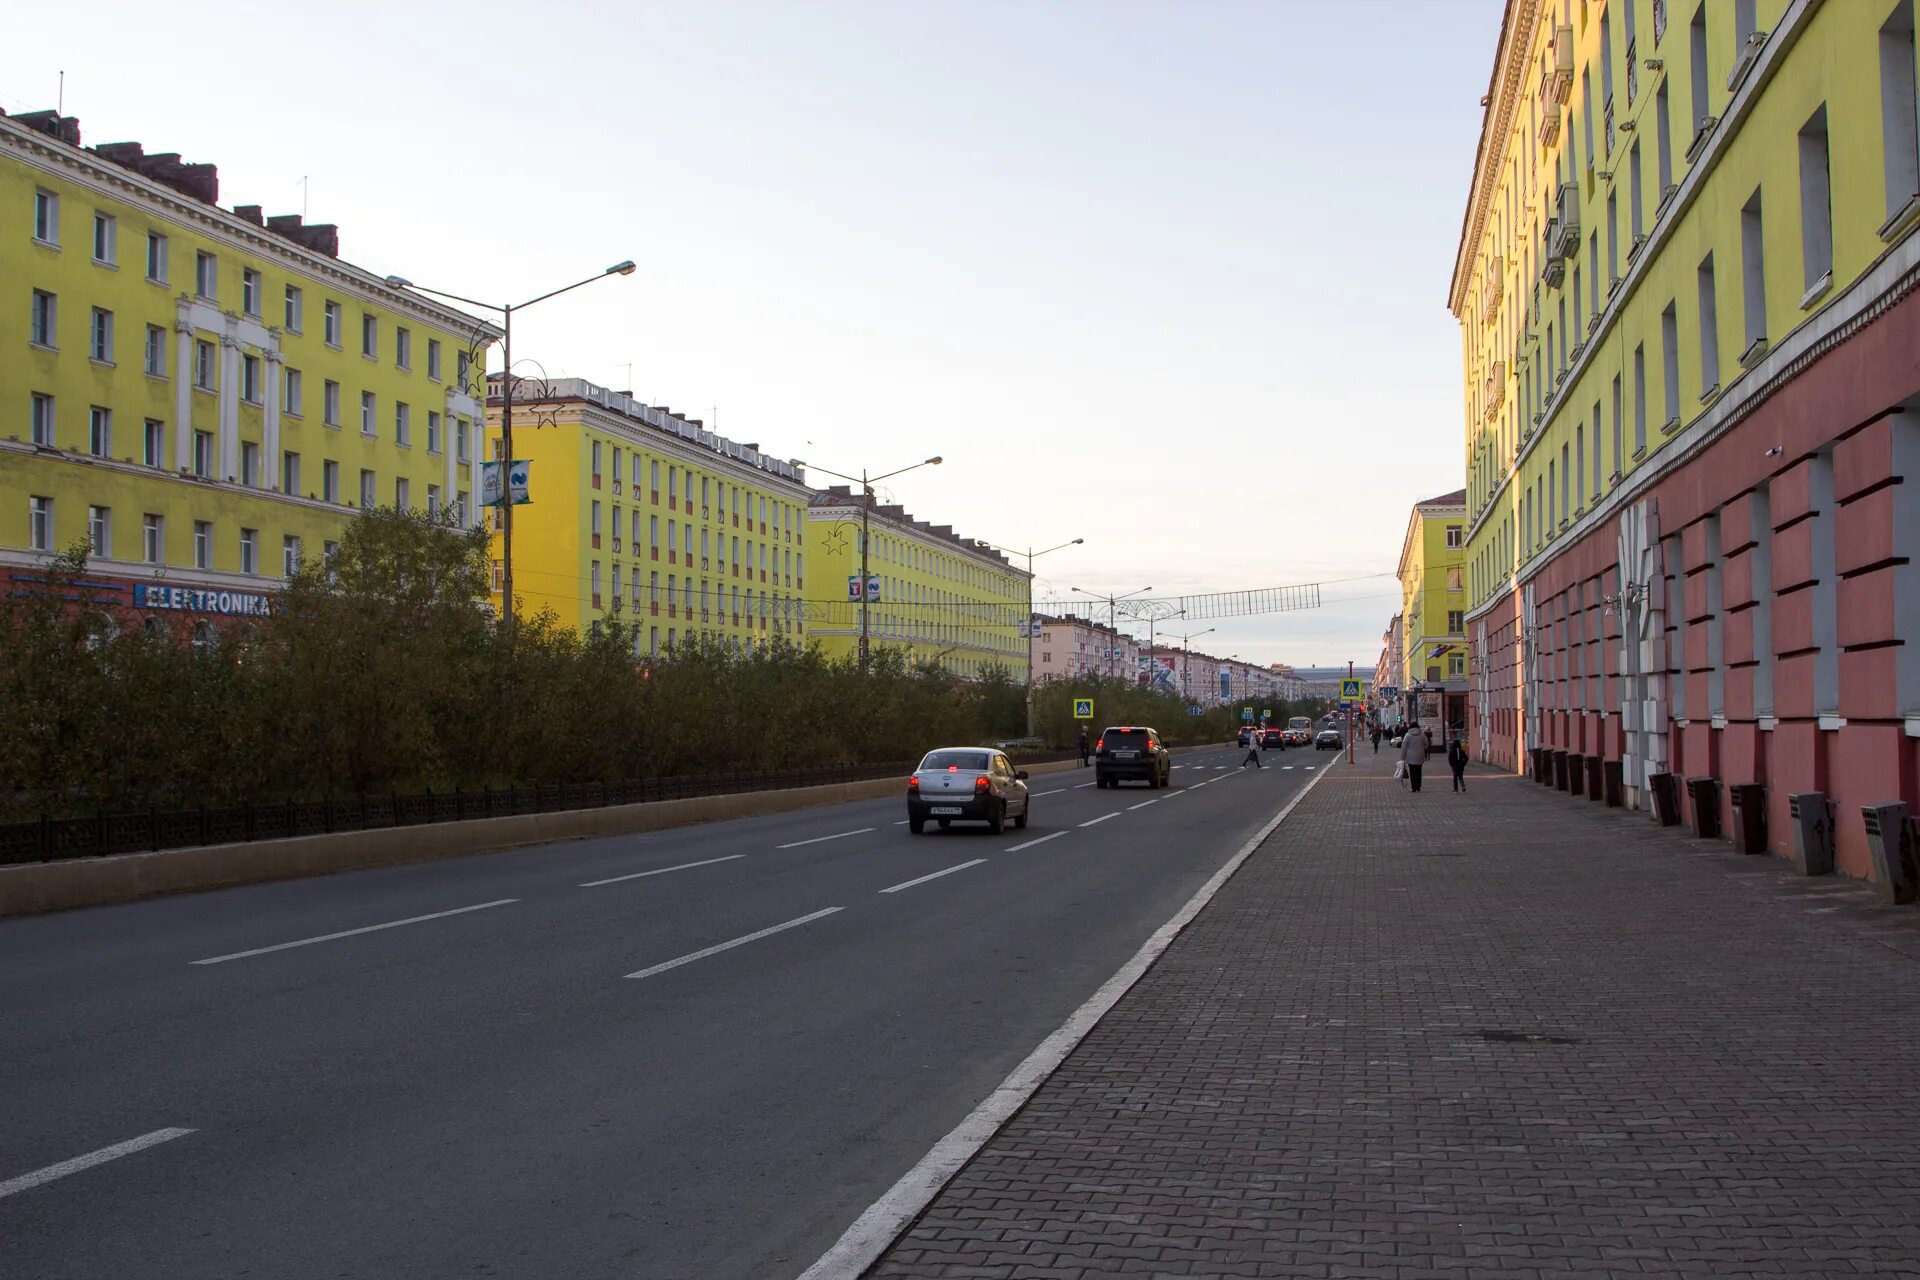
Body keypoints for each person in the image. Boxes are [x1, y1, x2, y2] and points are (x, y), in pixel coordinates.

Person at [1401, 721, 1430, 792]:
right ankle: (1418, 787)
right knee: (1419, 771)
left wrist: (1402, 759)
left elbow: (1404, 747)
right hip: (1420, 756)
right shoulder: (1422, 734)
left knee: (1412, 772)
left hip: (1410, 756)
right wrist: (1423, 748)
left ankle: (1413, 788)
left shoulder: (1407, 735)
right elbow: (1427, 745)